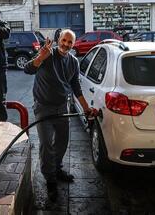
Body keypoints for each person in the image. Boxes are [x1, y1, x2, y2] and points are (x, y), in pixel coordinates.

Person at [24, 29, 96, 201]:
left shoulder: (73, 62)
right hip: (43, 107)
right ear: (59, 40)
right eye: (64, 40)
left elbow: (76, 87)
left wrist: (86, 108)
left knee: (62, 142)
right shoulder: (47, 53)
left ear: (73, 44)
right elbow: (28, 69)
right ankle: (50, 180)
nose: (66, 44)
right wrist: (40, 57)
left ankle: (56, 169)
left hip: (62, 107)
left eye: (70, 42)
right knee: (47, 144)